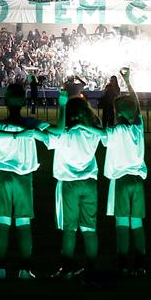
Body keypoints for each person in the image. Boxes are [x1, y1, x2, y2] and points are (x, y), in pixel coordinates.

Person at [0, 83, 49, 280]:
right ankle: (25, 269)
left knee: (2, 223)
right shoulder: (30, 124)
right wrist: (62, 105)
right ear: (25, 101)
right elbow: (57, 130)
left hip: (3, 176)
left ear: (5, 101)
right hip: (23, 177)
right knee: (24, 223)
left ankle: (0, 268)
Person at [42, 90, 106, 279]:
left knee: (69, 229)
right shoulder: (93, 131)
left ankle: (66, 268)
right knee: (89, 229)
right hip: (89, 182)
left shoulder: (64, 133)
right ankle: (92, 268)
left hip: (68, 183)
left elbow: (51, 133)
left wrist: (61, 107)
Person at [101, 68, 148, 276]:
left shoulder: (116, 131)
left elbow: (101, 136)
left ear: (118, 112)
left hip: (120, 179)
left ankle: (122, 263)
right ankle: (140, 264)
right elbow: (136, 107)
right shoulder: (138, 126)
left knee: (121, 223)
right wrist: (128, 82)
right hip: (137, 180)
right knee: (136, 223)